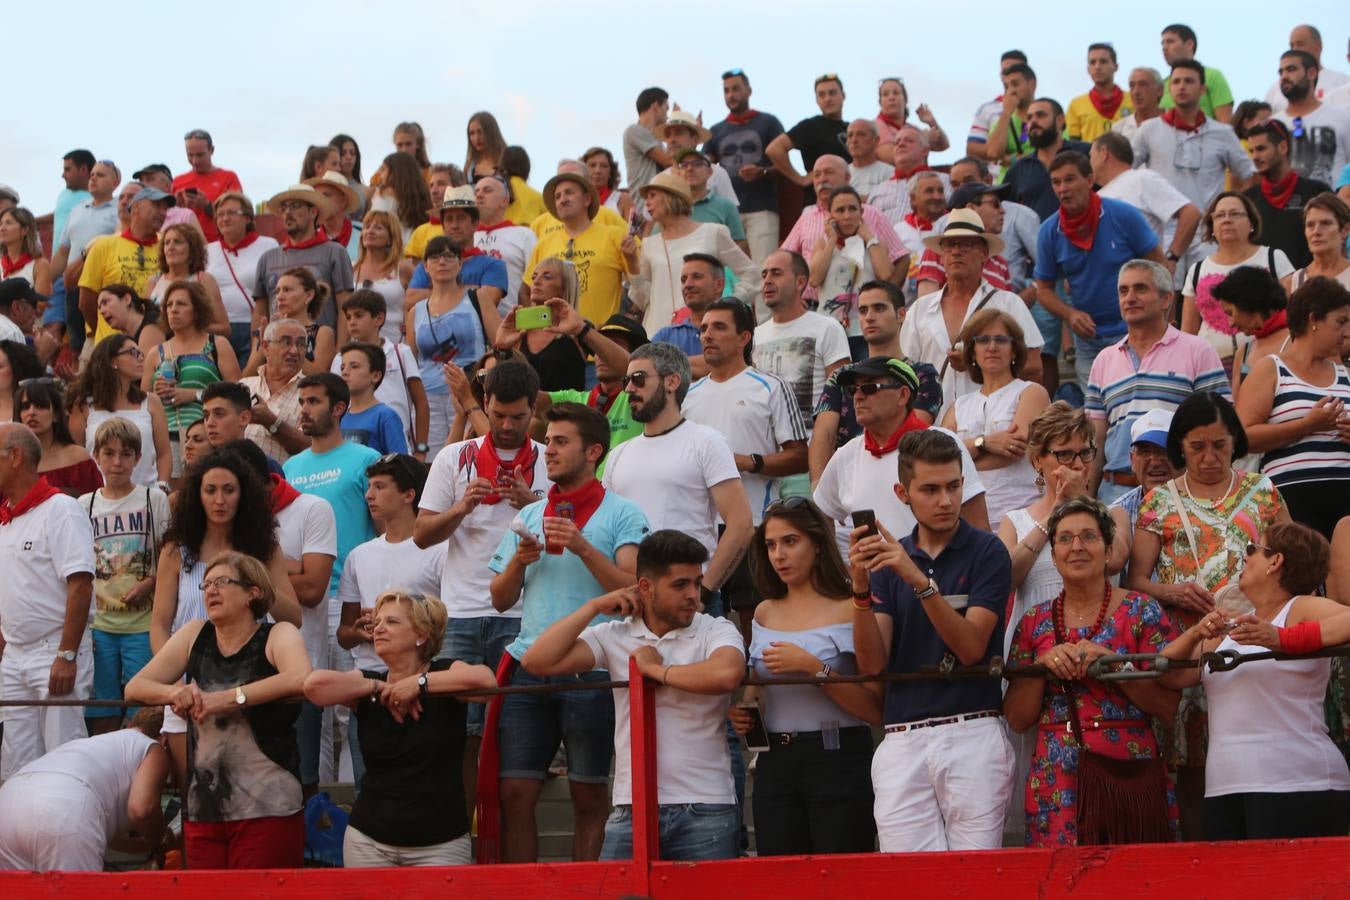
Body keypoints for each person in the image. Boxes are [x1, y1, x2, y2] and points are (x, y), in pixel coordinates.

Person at [522, 530, 744, 862]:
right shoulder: (615, 634)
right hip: (631, 805)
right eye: (680, 585)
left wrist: (656, 672)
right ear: (645, 587)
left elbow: (726, 674)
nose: (693, 595)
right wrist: (594, 605)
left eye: (697, 583)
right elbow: (536, 660)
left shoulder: (715, 628)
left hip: (706, 805)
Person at [490, 402, 650, 863]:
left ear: (594, 451)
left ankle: (587, 892)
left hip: (592, 667)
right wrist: (517, 565)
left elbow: (636, 588)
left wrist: (581, 546)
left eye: (561, 442)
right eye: (549, 441)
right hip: (527, 662)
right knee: (515, 793)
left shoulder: (623, 512)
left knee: (589, 795)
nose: (549, 451)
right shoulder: (531, 511)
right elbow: (499, 599)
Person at [1127, 392, 1289, 837]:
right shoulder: (1158, 502)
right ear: (1180, 445)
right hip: (1190, 645)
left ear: (1235, 441)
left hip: (1254, 640)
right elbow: (1136, 581)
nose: (1209, 456)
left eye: (1219, 444)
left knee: (1260, 749)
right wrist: (1173, 592)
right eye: (1197, 446)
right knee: (1194, 762)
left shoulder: (1263, 491)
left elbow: (1290, 562)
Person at [849, 429, 1013, 852]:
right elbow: (871, 665)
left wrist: (919, 581)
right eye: (931, 489)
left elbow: (972, 647)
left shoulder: (989, 551)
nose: (945, 500)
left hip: (973, 728)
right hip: (902, 737)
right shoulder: (890, 561)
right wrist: (861, 590)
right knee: (908, 886)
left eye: (954, 486)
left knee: (976, 885)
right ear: (902, 492)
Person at [1004, 497, 1181, 847]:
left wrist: (1117, 666)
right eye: (1065, 539)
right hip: (1057, 776)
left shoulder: (1142, 610)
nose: (1077, 547)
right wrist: (1042, 668)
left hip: (1129, 770)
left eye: (1089, 536)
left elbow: (1167, 708)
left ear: (1109, 549)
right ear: (1053, 556)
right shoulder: (1034, 622)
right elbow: (1017, 719)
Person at [1161, 522, 1350, 839]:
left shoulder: (1299, 607)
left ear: (1275, 562)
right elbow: (1170, 675)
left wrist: (1283, 639)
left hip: (1297, 782)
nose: (1245, 557)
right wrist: (1194, 633)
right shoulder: (1236, 627)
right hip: (1226, 786)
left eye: (1252, 549)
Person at [414, 361, 546, 805]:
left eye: (518, 417)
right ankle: (463, 832)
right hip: (462, 615)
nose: (507, 426)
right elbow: (421, 535)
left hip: (527, 615)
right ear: (484, 403)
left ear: (534, 409)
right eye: (499, 415)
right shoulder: (454, 457)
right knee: (460, 736)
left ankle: (503, 841)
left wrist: (531, 503)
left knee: (518, 737)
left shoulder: (549, 458)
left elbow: (577, 533)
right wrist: (460, 509)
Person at [127, 551, 310, 869]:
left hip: (268, 807)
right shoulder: (194, 633)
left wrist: (226, 698)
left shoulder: (277, 634)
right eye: (206, 584)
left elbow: (300, 678)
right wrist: (176, 691)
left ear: (253, 592)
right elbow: (135, 687)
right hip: (203, 811)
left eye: (222, 582)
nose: (210, 590)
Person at [732, 498, 881, 855]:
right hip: (776, 760)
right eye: (770, 545)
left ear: (817, 544)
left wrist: (815, 668)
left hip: (839, 755)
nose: (779, 555)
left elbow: (876, 710)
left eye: (790, 541)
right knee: (780, 880)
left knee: (840, 880)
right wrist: (747, 712)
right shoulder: (765, 612)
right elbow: (758, 689)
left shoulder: (853, 604)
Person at [306, 589, 496, 867]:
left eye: (392, 622)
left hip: (440, 844)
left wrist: (420, 684)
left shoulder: (445, 671)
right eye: (378, 622)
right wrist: (379, 686)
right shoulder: (368, 681)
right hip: (368, 841)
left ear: (421, 635)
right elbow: (313, 687)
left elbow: (486, 683)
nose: (379, 628)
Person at [602, 343, 753, 610]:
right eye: (626, 380)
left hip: (690, 600)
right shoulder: (618, 455)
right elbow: (606, 530)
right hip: (632, 602)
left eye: (638, 379)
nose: (628, 389)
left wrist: (704, 592)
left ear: (672, 381)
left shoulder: (707, 442)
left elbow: (740, 524)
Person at [1086, 260, 1230, 504]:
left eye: (1140, 289)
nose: (1130, 297)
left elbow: (1221, 425)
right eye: (1123, 291)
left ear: (1166, 299)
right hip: (1114, 492)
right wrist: (1088, 497)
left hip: (1183, 492)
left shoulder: (1198, 351)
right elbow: (1096, 438)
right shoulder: (1104, 360)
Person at [814, 357, 988, 553]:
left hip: (941, 580)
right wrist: (842, 571)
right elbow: (820, 514)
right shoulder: (846, 456)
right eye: (853, 390)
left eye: (870, 388)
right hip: (878, 583)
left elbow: (979, 528)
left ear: (903, 395)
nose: (858, 396)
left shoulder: (944, 442)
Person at [0, 423, 96, 779]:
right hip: (16, 654)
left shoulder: (60, 509)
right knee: (16, 764)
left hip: (54, 649)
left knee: (63, 757)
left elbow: (81, 584)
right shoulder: (5, 518)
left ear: (15, 457)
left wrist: (67, 654)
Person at [1035, 153, 1166, 390]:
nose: (1063, 188)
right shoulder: (1049, 231)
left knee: (1139, 399)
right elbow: (1042, 290)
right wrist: (1069, 314)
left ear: (1089, 179)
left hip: (1135, 329)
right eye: (1056, 182)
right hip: (1087, 338)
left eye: (1070, 179)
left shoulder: (1122, 215)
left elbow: (1159, 266)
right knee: (1096, 410)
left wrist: (1165, 319)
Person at [1236, 276, 1350, 539]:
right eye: (1340, 322)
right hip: (1291, 504)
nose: (1347, 331)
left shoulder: (1344, 372)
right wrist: (1307, 425)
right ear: (1313, 320)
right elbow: (1243, 438)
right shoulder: (1271, 368)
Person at [77, 418, 171, 736]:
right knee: (101, 709)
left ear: (137, 458)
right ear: (97, 456)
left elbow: (170, 558)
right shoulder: (84, 505)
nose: (117, 462)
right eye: (109, 453)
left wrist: (151, 582)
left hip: (142, 625)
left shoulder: (153, 500)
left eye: (126, 454)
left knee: (142, 709)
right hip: (99, 626)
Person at [902, 210, 1044, 417]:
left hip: (995, 424)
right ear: (942, 255)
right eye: (950, 245)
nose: (956, 251)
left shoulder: (1009, 303)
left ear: (984, 253)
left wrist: (974, 363)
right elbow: (906, 373)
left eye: (966, 244)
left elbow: (1034, 367)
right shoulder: (919, 310)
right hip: (931, 431)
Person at [0, 707, 170, 872]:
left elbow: (110, 840)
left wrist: (149, 845)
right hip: (63, 811)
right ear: (165, 739)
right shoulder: (154, 748)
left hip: (9, 802)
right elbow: (142, 810)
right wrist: (161, 836)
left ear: (133, 724)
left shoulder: (101, 744)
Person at [809, 281, 943, 485]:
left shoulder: (923, 374)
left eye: (879, 308)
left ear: (901, 314)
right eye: (863, 310)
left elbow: (913, 429)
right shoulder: (841, 376)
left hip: (901, 480)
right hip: (848, 483)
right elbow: (823, 436)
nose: (869, 317)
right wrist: (819, 488)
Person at [997, 403, 1101, 657]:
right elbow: (1004, 579)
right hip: (1034, 648)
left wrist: (1083, 503)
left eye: (1085, 453)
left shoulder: (1112, 514)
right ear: (1037, 461)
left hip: (1096, 644)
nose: (1077, 465)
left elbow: (1116, 559)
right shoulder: (1015, 521)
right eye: (1064, 455)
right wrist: (1055, 513)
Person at [942, 309, 1048, 531]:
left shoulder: (1031, 392)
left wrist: (961, 459)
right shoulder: (958, 406)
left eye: (1001, 339)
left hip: (1023, 518)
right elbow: (939, 458)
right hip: (968, 524)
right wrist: (985, 443)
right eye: (982, 340)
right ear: (972, 353)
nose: (992, 347)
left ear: (1014, 351)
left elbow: (1014, 450)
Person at [628, 171, 759, 334]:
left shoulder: (713, 232)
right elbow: (644, 299)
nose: (646, 203)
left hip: (702, 332)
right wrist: (632, 264)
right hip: (657, 333)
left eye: (652, 195)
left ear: (672, 197)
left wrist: (726, 305)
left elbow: (752, 275)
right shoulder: (649, 244)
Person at [406, 235, 502, 458]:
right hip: (428, 399)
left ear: (460, 264)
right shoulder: (416, 311)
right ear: (426, 266)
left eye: (450, 256)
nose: (442, 262)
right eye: (435, 256)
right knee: (432, 460)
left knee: (472, 455)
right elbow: (411, 361)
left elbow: (499, 343)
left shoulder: (477, 298)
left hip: (470, 392)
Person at [1133, 61, 1255, 234]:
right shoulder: (1148, 129)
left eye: (1189, 81)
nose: (1181, 87)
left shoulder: (1222, 133)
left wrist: (1234, 210)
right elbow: (1123, 171)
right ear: (1169, 89)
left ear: (1203, 89)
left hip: (1207, 232)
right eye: (1176, 82)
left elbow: (1250, 175)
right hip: (1161, 231)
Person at [1181, 193, 1294, 373]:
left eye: (1235, 214)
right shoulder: (1197, 270)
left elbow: (1292, 313)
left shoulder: (1273, 258)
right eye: (1219, 215)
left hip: (1266, 361)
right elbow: (1188, 331)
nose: (1227, 220)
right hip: (1211, 367)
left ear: (1251, 223)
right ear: (1212, 227)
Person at [143, 281, 241, 475]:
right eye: (169, 305)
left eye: (181, 304)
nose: (173, 310)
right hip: (164, 438)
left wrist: (195, 394)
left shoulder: (216, 345)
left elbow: (238, 393)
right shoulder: (155, 353)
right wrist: (155, 393)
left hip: (206, 436)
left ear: (197, 310)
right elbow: (141, 402)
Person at [752, 250, 851, 425]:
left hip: (814, 444)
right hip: (764, 448)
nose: (767, 280)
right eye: (764, 274)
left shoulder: (827, 328)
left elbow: (842, 396)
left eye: (776, 273)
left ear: (800, 282)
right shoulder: (755, 336)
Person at [537, 315, 647, 469]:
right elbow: (524, 400)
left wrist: (582, 330)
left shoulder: (646, 397)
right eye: (596, 349)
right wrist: (505, 353)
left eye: (612, 346)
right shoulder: (577, 399)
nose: (600, 354)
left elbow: (640, 370)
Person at [523, 170, 631, 327]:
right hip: (556, 341)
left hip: (601, 340)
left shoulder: (614, 235)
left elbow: (639, 282)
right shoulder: (543, 243)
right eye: (557, 196)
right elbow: (527, 291)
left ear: (587, 199)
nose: (562, 199)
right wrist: (536, 331)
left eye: (569, 193)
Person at [252, 183, 354, 343]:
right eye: (284, 208)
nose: (288, 212)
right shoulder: (267, 258)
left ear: (313, 212)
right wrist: (258, 351)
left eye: (295, 206)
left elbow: (345, 307)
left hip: (319, 353)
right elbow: (260, 313)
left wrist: (339, 354)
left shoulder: (335, 252)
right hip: (276, 352)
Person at [67, 334, 172, 488]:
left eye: (140, 353)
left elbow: (164, 454)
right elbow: (74, 455)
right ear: (112, 361)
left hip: (147, 496)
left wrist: (162, 487)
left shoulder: (151, 402)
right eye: (133, 353)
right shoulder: (83, 405)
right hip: (100, 500)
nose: (141, 358)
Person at [706, 68, 786, 263]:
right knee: (730, 275)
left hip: (762, 208)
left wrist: (763, 171)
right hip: (727, 213)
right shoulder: (715, 131)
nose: (731, 95)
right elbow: (703, 168)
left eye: (736, 89)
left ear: (749, 91)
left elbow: (786, 168)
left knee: (764, 268)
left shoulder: (768, 122)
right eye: (726, 90)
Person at [337, 290, 428, 457]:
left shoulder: (400, 352)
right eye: (348, 317)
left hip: (398, 438)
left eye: (358, 315)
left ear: (379, 318)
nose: (352, 322)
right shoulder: (339, 359)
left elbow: (421, 402)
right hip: (354, 438)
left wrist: (421, 449)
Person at [78, 187, 173, 347]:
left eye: (165, 208)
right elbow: (86, 301)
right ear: (135, 207)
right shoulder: (103, 245)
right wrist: (104, 331)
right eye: (156, 205)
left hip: (156, 346)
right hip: (109, 349)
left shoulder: (169, 245)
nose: (163, 212)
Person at [1091, 132, 1202, 264]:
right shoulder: (1096, 196)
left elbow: (1190, 213)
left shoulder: (1141, 179)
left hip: (1143, 276)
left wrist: (1172, 258)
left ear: (1104, 153)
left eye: (1091, 156)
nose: (1089, 162)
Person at [810, 186, 895, 354]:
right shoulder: (823, 244)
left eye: (852, 209)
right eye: (840, 210)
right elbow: (814, 279)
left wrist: (869, 238)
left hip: (866, 331)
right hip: (829, 330)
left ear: (861, 212)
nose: (847, 216)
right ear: (830, 216)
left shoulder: (875, 243)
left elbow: (885, 275)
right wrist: (832, 241)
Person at [1106, 409, 1182, 583]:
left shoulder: (1201, 505)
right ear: (1132, 460)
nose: (1155, 462)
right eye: (1145, 452)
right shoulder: (1116, 513)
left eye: (1163, 451)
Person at [1243, 121, 1331, 270]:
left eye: (1261, 149)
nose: (1255, 157)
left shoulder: (1317, 192)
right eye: (1251, 151)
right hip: (1262, 289)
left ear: (1282, 147)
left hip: (1308, 285)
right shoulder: (1247, 200)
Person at [207, 191, 280, 362]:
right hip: (217, 330)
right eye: (220, 214)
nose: (225, 218)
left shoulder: (268, 245)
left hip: (253, 328)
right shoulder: (207, 250)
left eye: (231, 213)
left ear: (247, 218)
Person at [913, 182, 1017, 296]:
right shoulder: (937, 252)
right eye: (995, 204)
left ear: (984, 253)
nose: (1003, 211)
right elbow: (926, 307)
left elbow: (1007, 310)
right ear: (971, 208)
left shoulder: (1001, 264)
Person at [1002, 98, 1091, 221]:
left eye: (1040, 115)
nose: (1033, 121)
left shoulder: (1087, 153)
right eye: (1029, 118)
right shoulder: (1018, 169)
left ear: (1060, 120)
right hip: (1037, 239)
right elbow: (1005, 213)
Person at [768, 74, 851, 204]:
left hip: (849, 200)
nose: (827, 98)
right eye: (822, 95)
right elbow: (774, 149)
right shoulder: (811, 126)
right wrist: (800, 179)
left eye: (832, 93)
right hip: (817, 203)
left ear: (843, 95)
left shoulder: (851, 129)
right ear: (817, 100)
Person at [1273, 50, 1350, 187]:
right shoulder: (1272, 125)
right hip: (1282, 206)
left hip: (1334, 205)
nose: (1284, 76)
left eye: (1291, 69)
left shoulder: (1342, 118)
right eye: (1281, 72)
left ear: (1312, 73)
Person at [1213, 267, 1292, 399]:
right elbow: (1237, 412)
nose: (1230, 323)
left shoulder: (1299, 339)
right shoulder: (1244, 353)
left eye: (1230, 313)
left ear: (1248, 301)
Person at [16, 379, 103, 497]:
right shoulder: (9, 461)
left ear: (56, 415)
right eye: (25, 407)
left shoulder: (78, 457)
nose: (31, 412)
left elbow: (95, 505)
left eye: (40, 406)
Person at [240, 318, 310, 462]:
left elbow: (311, 447)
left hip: (282, 481)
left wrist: (272, 422)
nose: (294, 351)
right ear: (265, 347)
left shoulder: (311, 393)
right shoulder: (243, 386)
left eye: (301, 344)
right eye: (286, 342)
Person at [148, 223, 229, 335]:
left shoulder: (204, 280)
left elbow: (224, 328)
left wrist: (189, 327)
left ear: (192, 249)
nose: (171, 247)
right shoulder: (154, 281)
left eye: (177, 242)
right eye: (167, 243)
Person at [474, 174, 538, 313]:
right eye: (476, 191)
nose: (479, 195)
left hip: (512, 324)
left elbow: (535, 283)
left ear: (504, 200)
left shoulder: (524, 235)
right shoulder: (465, 237)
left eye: (487, 190)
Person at [867, 125, 953, 228]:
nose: (901, 144)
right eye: (897, 142)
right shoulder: (878, 190)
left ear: (925, 151)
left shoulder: (946, 181)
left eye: (909, 141)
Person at [172, 128, 243, 241]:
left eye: (200, 155)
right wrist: (176, 207)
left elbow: (240, 214)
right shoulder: (177, 181)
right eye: (190, 155)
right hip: (185, 245)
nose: (194, 161)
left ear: (212, 150)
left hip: (220, 244)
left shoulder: (228, 178)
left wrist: (206, 206)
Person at [338, 342, 407, 454]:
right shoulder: (339, 417)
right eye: (342, 367)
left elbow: (401, 463)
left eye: (354, 366)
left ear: (375, 376)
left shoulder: (386, 416)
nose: (345, 372)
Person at [674, 148, 747, 254]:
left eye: (697, 164)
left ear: (709, 172)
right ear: (679, 174)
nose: (690, 168)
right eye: (684, 165)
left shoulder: (726, 206)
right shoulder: (670, 207)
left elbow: (740, 246)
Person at [968, 61, 1039, 168]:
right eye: (1007, 87)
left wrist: (1013, 159)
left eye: (1015, 84)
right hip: (1009, 182)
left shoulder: (1048, 115)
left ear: (1032, 84)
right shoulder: (1002, 121)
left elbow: (1055, 152)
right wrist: (1006, 112)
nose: (1011, 91)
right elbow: (993, 153)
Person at [660, 110, 738, 206]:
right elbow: (650, 220)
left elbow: (731, 214)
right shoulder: (659, 180)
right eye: (668, 135)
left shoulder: (717, 173)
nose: (672, 140)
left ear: (695, 140)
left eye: (678, 133)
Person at [1159, 24, 1235, 121]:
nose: (1164, 47)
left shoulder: (1212, 76)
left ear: (1189, 44)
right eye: (1162, 43)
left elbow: (1226, 125)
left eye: (1170, 41)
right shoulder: (1162, 84)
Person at [351, 209, 406, 344]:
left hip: (394, 347)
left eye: (378, 228)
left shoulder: (403, 269)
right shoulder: (350, 268)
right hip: (357, 349)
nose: (370, 231)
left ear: (390, 237)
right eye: (367, 227)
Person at [1284, 192, 1350, 292]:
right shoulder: (1293, 282)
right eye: (1310, 225)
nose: (1316, 231)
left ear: (1345, 230)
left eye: (1326, 223)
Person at [1067, 43, 1131, 142]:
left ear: (1116, 66)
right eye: (1092, 62)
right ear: (1088, 69)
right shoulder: (1076, 105)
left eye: (1103, 61)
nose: (1097, 67)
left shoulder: (1133, 100)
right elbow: (1075, 146)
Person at [873, 76, 949, 159]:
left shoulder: (910, 129)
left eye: (896, 93)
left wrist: (932, 122)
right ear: (880, 102)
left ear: (905, 100)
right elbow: (890, 158)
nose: (891, 98)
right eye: (885, 94)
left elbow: (943, 146)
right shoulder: (876, 126)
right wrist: (924, 140)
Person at [370, 153, 434, 243]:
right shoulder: (423, 199)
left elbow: (375, 225)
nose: (380, 175)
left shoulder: (384, 194)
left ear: (395, 173)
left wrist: (377, 194)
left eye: (383, 169)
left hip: (391, 251)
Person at [623, 87, 673, 195]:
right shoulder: (634, 131)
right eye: (666, 108)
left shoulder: (657, 141)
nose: (667, 114)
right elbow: (669, 162)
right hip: (643, 205)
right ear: (655, 106)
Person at [306, 170, 364, 261]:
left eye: (326, 195)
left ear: (343, 201)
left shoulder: (364, 233)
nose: (320, 201)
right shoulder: (309, 239)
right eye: (317, 197)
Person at [0, 207, 51, 297]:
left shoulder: (40, 265)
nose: (2, 228)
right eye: (0, 224)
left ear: (24, 230)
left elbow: (40, 306)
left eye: (8, 223)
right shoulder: (1, 264)